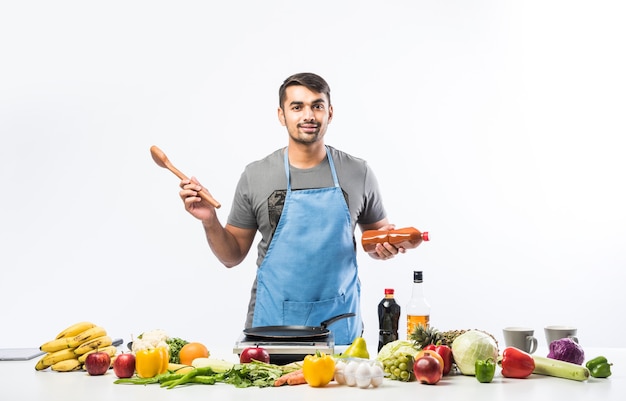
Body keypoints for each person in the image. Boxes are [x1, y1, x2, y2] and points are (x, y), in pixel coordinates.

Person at [178, 72, 424, 344]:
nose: (308, 115)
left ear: (329, 113)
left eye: (317, 106)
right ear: (281, 115)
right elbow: (231, 256)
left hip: (339, 326)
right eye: (297, 107)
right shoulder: (256, 175)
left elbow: (374, 241)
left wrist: (385, 248)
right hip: (272, 329)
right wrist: (209, 219)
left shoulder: (358, 172)